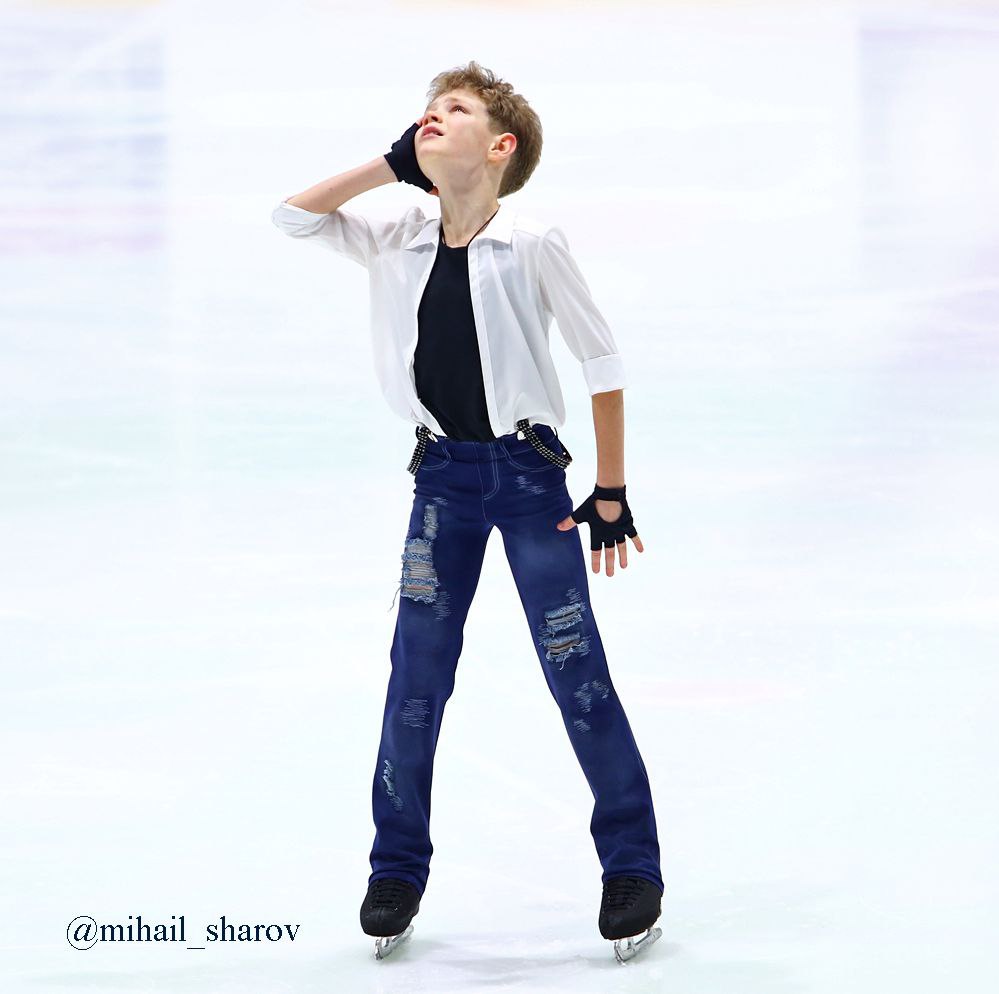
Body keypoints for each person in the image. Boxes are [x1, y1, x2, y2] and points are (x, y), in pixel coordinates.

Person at [271, 61, 664, 962]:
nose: (429, 119)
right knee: (415, 679)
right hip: (440, 485)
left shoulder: (531, 241)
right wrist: (387, 167)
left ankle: (631, 867)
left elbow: (602, 363)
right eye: (423, 112)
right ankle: (395, 870)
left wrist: (609, 490)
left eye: (452, 111)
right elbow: (293, 216)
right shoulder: (397, 234)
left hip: (528, 481)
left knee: (575, 672)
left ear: (500, 147)